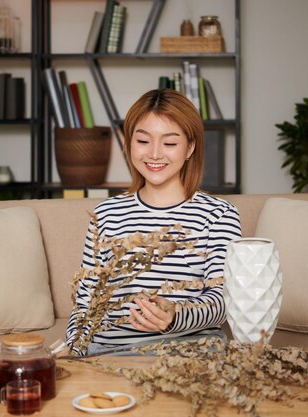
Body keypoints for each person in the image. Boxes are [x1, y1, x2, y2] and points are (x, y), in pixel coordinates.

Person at [65, 89, 242, 356]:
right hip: (108, 349)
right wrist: (73, 349)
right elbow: (85, 301)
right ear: (129, 144)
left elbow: (223, 302)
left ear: (190, 147)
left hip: (189, 348)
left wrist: (174, 316)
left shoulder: (219, 215)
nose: (155, 154)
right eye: (143, 141)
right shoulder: (106, 214)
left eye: (170, 143)